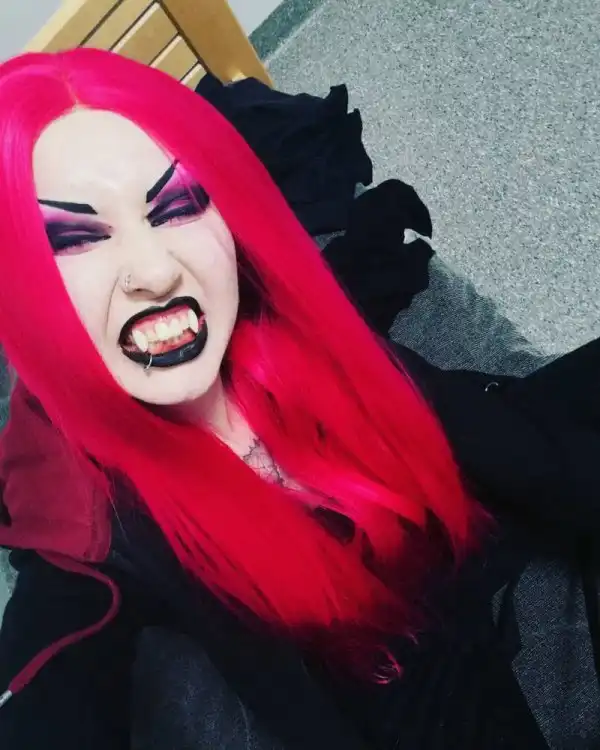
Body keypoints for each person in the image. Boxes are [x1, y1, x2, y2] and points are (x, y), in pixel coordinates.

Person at [0, 48, 598, 750]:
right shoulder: (85, 526)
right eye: (74, 238)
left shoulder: (301, 331)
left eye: (178, 205)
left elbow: (523, 451)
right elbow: (53, 685)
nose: (155, 271)